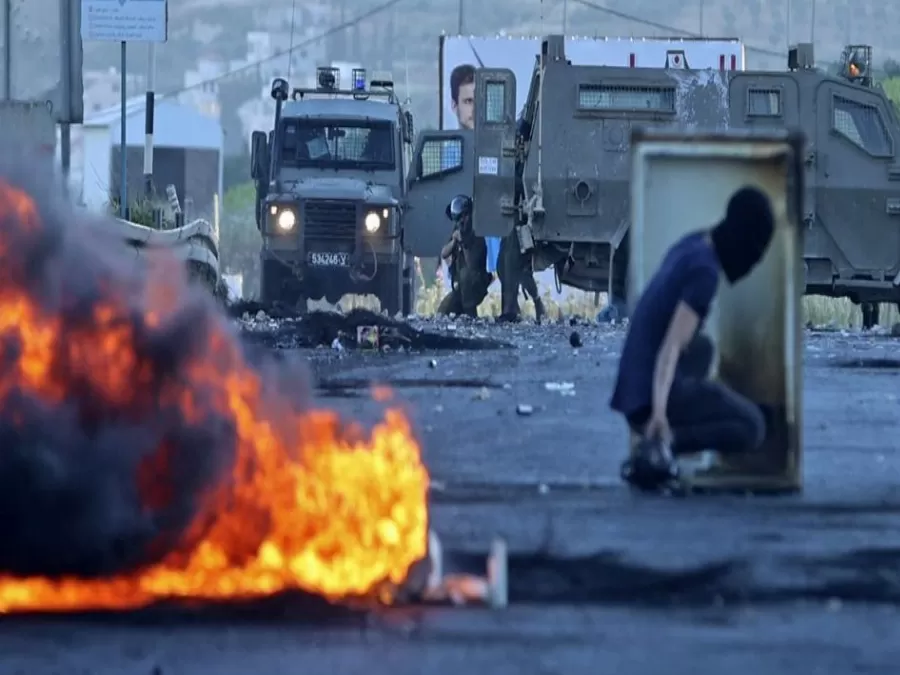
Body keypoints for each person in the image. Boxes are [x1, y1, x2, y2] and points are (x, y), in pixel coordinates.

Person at [611, 186, 775, 490]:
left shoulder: (694, 245)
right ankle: (659, 445)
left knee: (703, 347)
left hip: (632, 385)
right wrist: (659, 413)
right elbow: (670, 348)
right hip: (646, 400)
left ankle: (665, 420)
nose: (751, 263)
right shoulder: (705, 273)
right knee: (753, 426)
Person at [437, 195, 492, 317]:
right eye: (459, 218)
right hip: (461, 288)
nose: (462, 221)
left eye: (465, 216)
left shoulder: (477, 235)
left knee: (465, 274)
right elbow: (444, 253)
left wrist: (463, 244)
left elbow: (472, 265)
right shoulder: (457, 231)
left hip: (476, 285)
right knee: (443, 311)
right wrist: (454, 241)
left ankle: (471, 315)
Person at [449, 64, 476, 131]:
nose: (475, 109)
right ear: (454, 106)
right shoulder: (442, 141)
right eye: (468, 101)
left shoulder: (501, 141)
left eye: (479, 101)